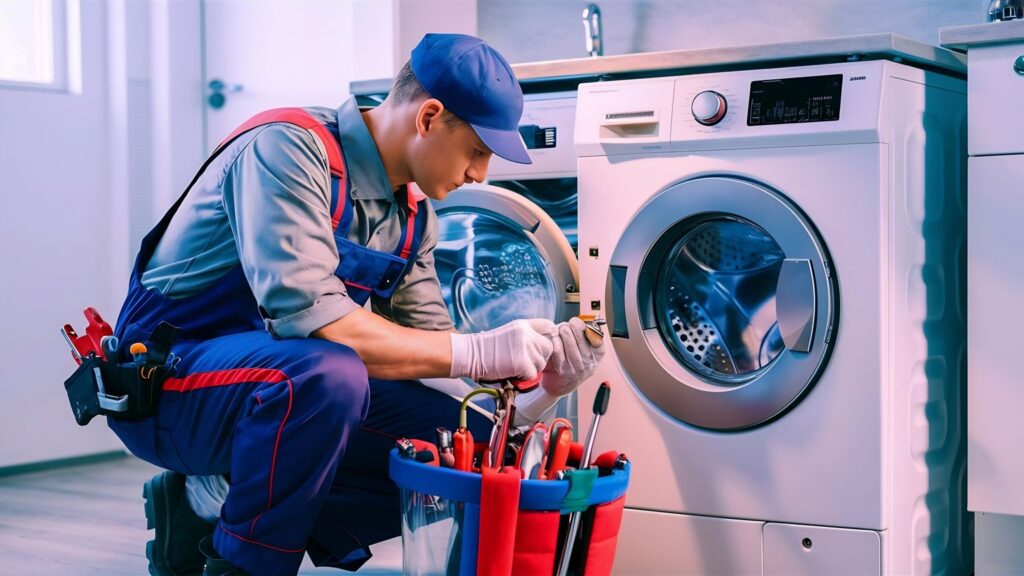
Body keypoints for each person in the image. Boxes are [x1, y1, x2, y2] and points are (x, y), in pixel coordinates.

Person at [108, 33, 604, 576]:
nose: (480, 174)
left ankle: (209, 501)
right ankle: (243, 565)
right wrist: (482, 350)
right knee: (327, 373)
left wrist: (535, 397)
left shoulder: (414, 218)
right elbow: (318, 330)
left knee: (469, 454)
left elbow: (438, 366)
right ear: (429, 117)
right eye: (478, 151)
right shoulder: (288, 150)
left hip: (268, 391)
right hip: (169, 389)